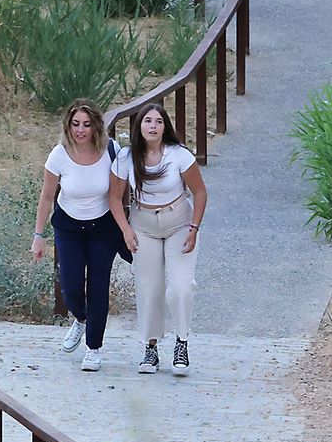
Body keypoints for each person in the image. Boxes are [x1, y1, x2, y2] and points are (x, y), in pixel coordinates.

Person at [110, 100, 207, 375]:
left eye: (159, 121)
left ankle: (182, 341)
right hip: (143, 225)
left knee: (181, 286)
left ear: (165, 128)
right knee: (149, 288)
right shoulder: (127, 158)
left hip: (178, 223)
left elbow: (200, 192)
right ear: (139, 126)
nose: (153, 126)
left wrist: (194, 228)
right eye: (148, 121)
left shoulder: (178, 155)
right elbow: (114, 198)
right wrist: (126, 230)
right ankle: (150, 348)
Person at [31, 100, 126, 371]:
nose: (81, 130)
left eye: (86, 124)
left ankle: (94, 348)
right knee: (70, 286)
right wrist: (39, 235)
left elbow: (123, 189)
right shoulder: (59, 155)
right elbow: (47, 196)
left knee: (98, 286)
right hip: (69, 228)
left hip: (103, 229)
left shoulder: (111, 151)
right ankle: (81, 318)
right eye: (75, 124)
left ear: (96, 125)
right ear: (68, 126)